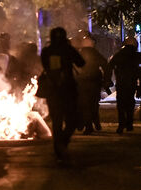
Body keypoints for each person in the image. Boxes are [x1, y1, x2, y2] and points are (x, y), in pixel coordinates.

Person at [41, 27, 85, 160]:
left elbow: (45, 66)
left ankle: (58, 147)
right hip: (68, 90)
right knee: (72, 120)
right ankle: (63, 143)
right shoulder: (68, 50)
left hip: (53, 91)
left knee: (57, 121)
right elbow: (81, 63)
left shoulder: (46, 51)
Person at [73, 31, 108, 134]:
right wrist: (105, 79)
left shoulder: (79, 54)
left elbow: (73, 66)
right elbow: (105, 64)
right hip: (94, 83)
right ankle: (95, 123)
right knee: (93, 104)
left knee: (85, 105)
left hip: (82, 83)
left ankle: (89, 126)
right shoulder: (96, 54)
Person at [105, 37, 140, 134]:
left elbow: (109, 66)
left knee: (121, 104)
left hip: (121, 83)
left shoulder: (118, 55)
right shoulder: (136, 55)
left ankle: (121, 124)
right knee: (130, 103)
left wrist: (107, 80)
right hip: (132, 83)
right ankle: (129, 124)